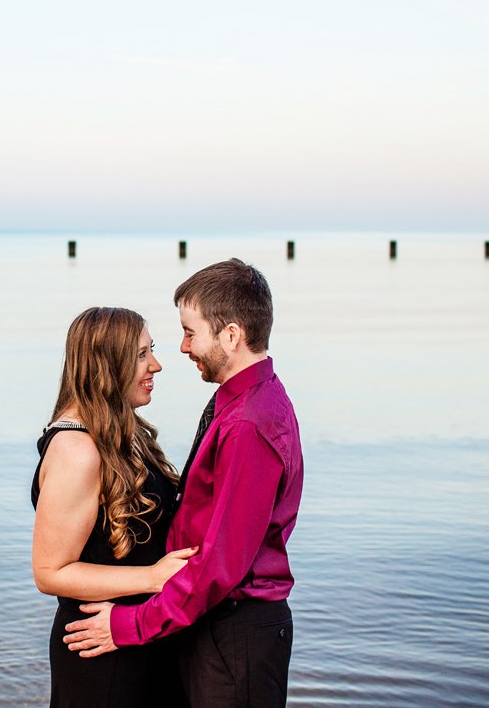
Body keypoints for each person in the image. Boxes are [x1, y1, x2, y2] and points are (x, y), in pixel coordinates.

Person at [62, 259, 304, 708]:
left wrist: (129, 625)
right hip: (206, 622)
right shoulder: (240, 402)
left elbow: (222, 565)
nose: (182, 347)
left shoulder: (250, 423)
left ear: (230, 336)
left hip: (233, 632)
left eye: (191, 332)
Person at [31, 306, 195, 708]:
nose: (156, 365)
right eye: (141, 355)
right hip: (102, 656)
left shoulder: (119, 430)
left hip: (135, 638)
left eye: (150, 350)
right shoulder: (77, 450)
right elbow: (50, 572)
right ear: (108, 364)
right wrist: (154, 578)